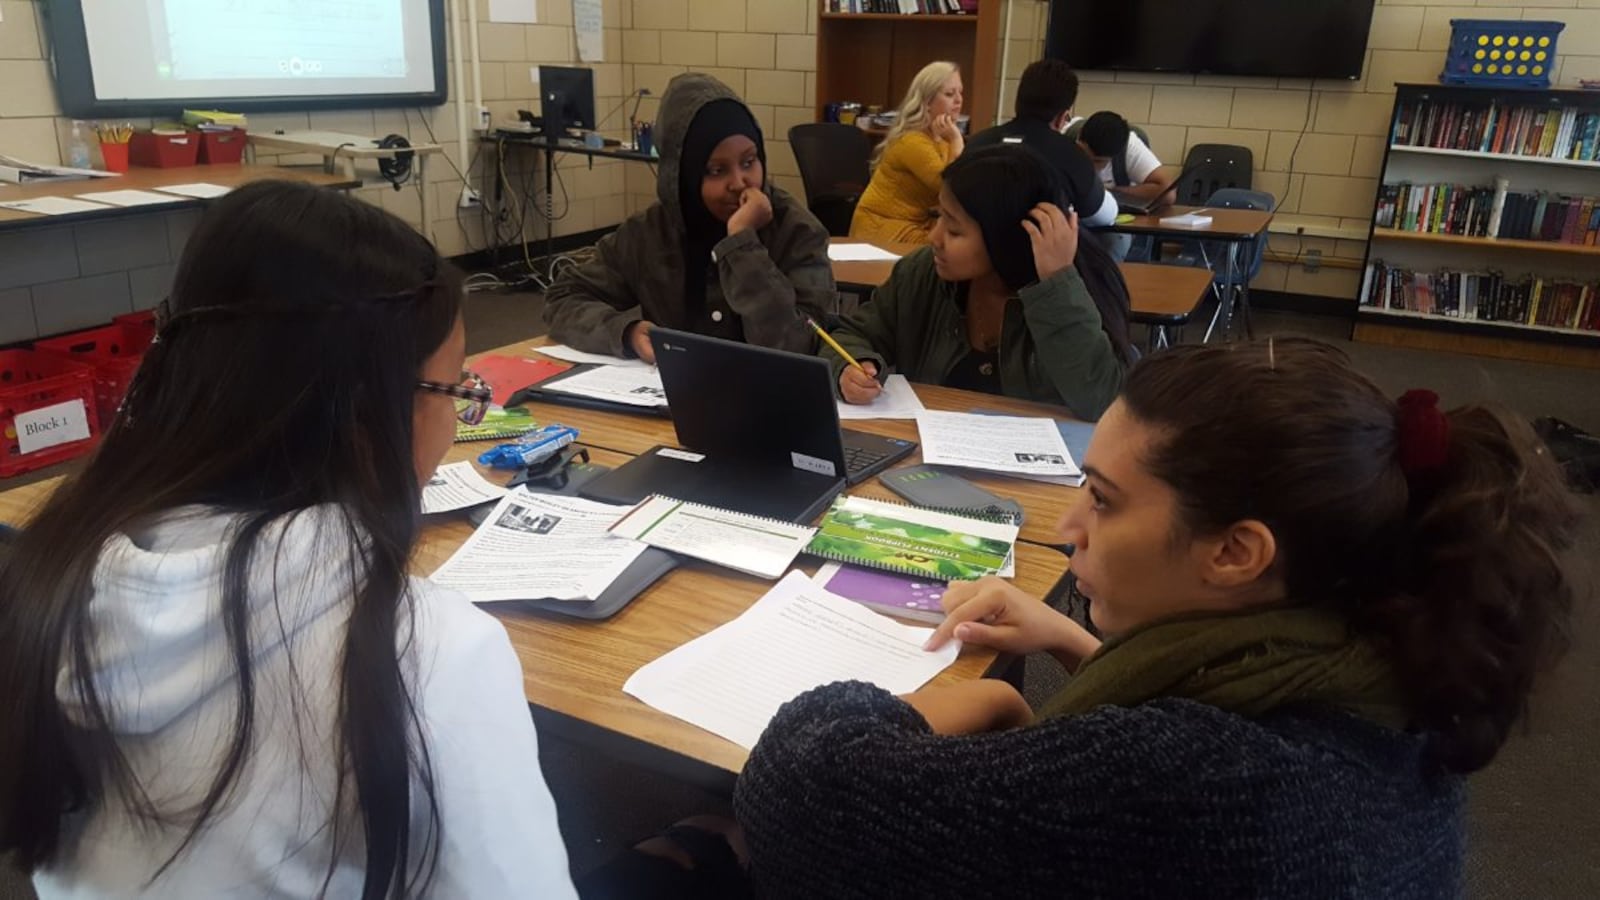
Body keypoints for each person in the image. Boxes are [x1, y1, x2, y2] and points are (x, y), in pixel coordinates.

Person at [734, 338, 1579, 897]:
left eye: (1102, 502)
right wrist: (1075, 642)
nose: (1067, 532)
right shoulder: (1394, 666)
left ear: (1237, 553)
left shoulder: (1201, 784)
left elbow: (797, 792)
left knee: (699, 848)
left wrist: (993, 705)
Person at [0, 181, 577, 898]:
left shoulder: (53, 577)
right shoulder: (428, 651)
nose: (459, 421)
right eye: (456, 391)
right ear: (364, 415)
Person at [824, 144, 1132, 422]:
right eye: (938, 217)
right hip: (927, 460)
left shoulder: (1078, 288)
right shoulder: (923, 274)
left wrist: (1057, 285)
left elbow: (1103, 402)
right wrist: (849, 368)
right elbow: (848, 335)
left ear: (1006, 239)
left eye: (955, 231)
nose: (934, 237)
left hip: (1039, 478)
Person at [544, 72, 833, 364]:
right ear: (684, 177)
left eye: (749, 162)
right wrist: (625, 332)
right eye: (716, 171)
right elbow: (564, 298)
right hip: (673, 397)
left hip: (766, 399)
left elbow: (799, 346)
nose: (740, 182)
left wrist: (743, 245)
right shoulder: (649, 232)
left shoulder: (797, 230)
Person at [967, 59, 1118, 228]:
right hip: (1040, 252)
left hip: (973, 251)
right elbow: (1103, 215)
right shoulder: (1071, 156)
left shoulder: (976, 144)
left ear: (1018, 102)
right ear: (1062, 117)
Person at [848, 61, 966, 245]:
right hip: (884, 227)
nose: (959, 100)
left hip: (917, 224)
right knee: (956, 249)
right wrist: (957, 140)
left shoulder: (942, 139)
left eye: (960, 92)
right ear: (927, 102)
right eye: (950, 94)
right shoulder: (912, 141)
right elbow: (949, 187)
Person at [1075, 109, 1175, 206]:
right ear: (1079, 136)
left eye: (1098, 161)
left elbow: (1168, 194)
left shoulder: (1129, 146)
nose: (1090, 165)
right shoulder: (1064, 138)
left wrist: (1111, 192)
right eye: (1084, 155)